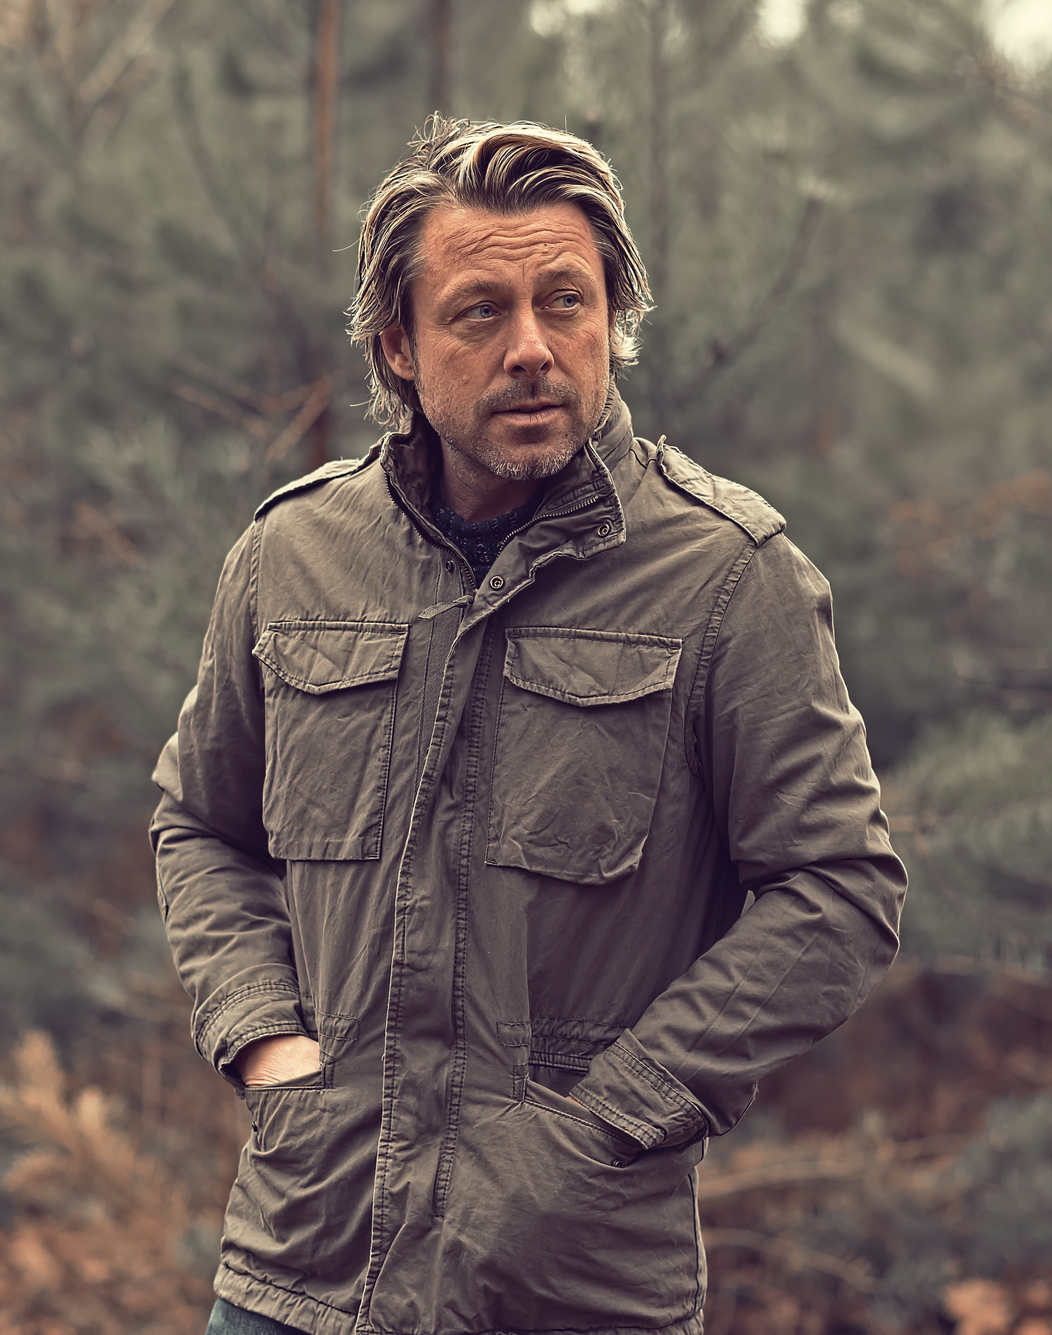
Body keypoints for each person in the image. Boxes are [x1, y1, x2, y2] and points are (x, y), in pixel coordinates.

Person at [151, 116, 907, 1335]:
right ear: (396, 345)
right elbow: (201, 826)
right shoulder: (290, 558)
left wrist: (606, 1127)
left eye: (566, 301)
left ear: (614, 318)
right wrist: (264, 1042)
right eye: (478, 311)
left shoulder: (726, 576)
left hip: (574, 1285)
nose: (532, 349)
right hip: (305, 1269)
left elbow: (836, 889)